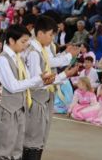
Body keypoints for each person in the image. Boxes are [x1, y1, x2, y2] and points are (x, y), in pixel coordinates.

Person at [0, 25, 55, 160]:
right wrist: (38, 79)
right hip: (7, 110)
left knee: (17, 150)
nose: (26, 45)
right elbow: (13, 86)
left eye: (27, 41)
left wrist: (43, 81)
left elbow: (29, 81)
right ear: (11, 41)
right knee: (4, 151)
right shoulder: (3, 59)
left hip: (20, 108)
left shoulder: (18, 58)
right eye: (23, 41)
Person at [24, 16, 78, 159]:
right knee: (33, 136)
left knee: (40, 135)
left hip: (45, 94)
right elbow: (38, 81)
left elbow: (50, 63)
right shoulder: (34, 52)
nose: (52, 38)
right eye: (50, 35)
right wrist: (64, 74)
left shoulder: (41, 48)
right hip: (37, 96)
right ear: (40, 33)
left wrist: (66, 58)